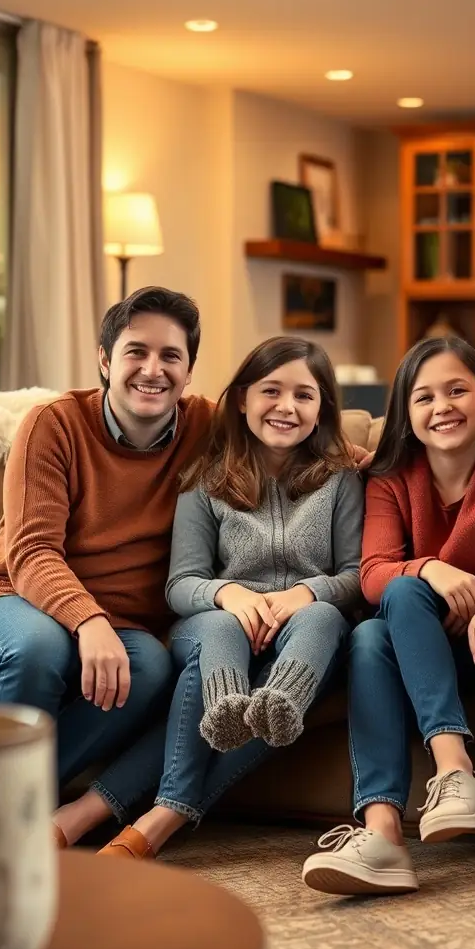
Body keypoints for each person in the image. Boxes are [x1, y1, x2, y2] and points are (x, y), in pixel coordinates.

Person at [53, 336, 364, 859]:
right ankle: (226, 706)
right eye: (271, 390)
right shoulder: (205, 479)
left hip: (303, 640)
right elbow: (181, 585)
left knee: (326, 618)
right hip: (219, 630)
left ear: (322, 409)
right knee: (220, 631)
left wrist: (305, 593)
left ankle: (271, 709)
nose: (286, 407)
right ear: (241, 399)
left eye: (304, 396)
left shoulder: (341, 480)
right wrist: (230, 595)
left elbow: (357, 574)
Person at [302, 336, 475, 895]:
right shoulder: (391, 477)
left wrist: (469, 596)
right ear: (406, 413)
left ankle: (452, 774)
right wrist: (434, 572)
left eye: (457, 390)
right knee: (372, 632)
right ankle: (386, 831)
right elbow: (373, 573)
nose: (441, 406)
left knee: (394, 608)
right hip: (412, 649)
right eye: (424, 397)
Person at [0, 286, 213, 808]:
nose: (153, 369)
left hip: (122, 625)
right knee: (39, 648)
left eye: (171, 355)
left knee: (150, 667)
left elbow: (306, 442)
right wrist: (89, 620)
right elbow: (32, 552)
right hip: (8, 596)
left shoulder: (206, 426)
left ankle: (12, 809)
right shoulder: (53, 424)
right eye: (137, 352)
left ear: (190, 371)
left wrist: (391, 459)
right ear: (105, 360)